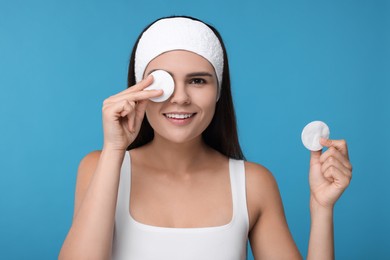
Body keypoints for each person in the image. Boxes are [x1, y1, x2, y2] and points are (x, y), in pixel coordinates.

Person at [59, 16, 352, 260]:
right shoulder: (99, 166)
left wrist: (322, 209)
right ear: (138, 91)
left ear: (219, 90)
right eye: (163, 81)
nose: (181, 98)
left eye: (198, 80)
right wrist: (114, 149)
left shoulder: (253, 184)